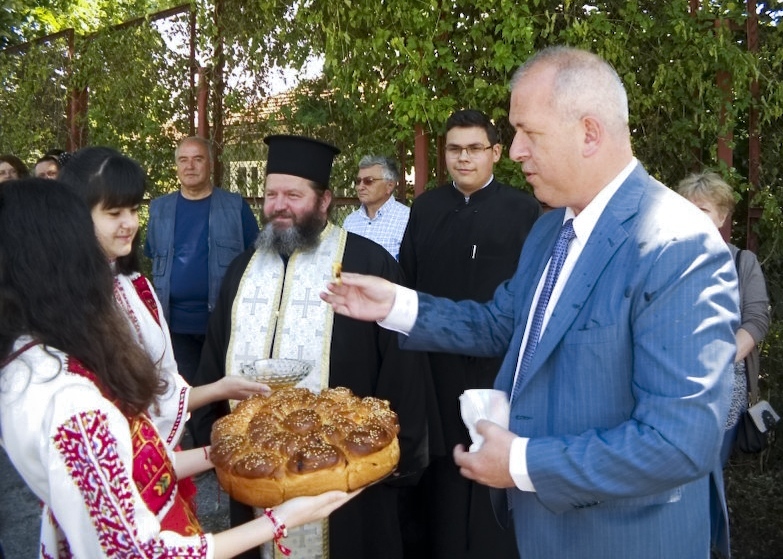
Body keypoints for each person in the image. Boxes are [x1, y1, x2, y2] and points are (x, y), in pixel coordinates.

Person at [321, 46, 739, 559]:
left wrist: (521, 462)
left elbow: (680, 442)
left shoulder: (678, 245)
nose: (515, 150)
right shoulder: (550, 230)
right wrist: (397, 306)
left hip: (622, 539)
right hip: (539, 532)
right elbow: (503, 323)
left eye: (529, 133)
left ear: (589, 132)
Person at [0, 179, 357, 558]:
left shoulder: (29, 362)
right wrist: (280, 520)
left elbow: (127, 466)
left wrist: (220, 453)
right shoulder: (70, 401)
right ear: (59, 261)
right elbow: (142, 552)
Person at [191, 134, 434, 559]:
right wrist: (215, 438)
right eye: (270, 194)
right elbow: (214, 357)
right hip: (257, 472)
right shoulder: (240, 271)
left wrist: (397, 457)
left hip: (346, 480)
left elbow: (403, 366)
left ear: (324, 201)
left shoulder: (367, 263)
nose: (278, 205)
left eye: (293, 195)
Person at [397, 108, 540, 559]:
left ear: (496, 153)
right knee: (440, 468)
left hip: (496, 368)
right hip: (434, 365)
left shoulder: (525, 210)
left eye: (474, 149)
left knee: (491, 467)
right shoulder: (426, 208)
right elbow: (408, 283)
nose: (463, 159)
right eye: (455, 149)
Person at [58, 146, 267, 451]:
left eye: (132, 210)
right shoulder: (65, 304)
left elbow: (161, 392)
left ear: (211, 164)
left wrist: (221, 394)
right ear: (76, 215)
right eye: (115, 213)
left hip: (220, 318)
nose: (130, 223)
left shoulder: (135, 286)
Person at [676, 171, 770, 557]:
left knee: (708, 470)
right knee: (675, 470)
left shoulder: (741, 263)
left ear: (721, 216)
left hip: (723, 385)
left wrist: (715, 361)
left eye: (703, 210)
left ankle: (708, 543)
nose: (694, 216)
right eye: (688, 209)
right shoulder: (669, 260)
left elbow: (756, 322)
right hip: (673, 382)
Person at [144, 136, 260, 388]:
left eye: (198, 159)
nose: (190, 166)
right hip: (176, 325)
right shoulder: (159, 209)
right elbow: (153, 254)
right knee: (187, 395)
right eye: (183, 160)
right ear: (176, 166)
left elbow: (257, 259)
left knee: (222, 395)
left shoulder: (234, 206)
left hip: (223, 323)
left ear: (210, 164)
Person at [342, 155, 410, 259]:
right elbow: (339, 262)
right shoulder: (350, 221)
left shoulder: (407, 219)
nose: (360, 187)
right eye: (358, 181)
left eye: (368, 181)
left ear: (390, 186)